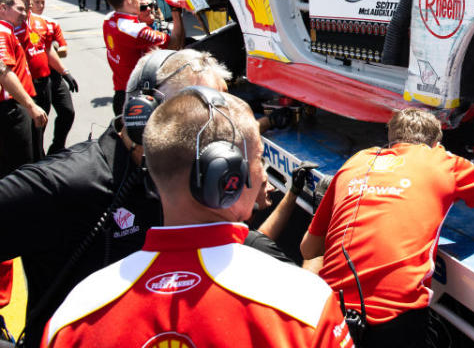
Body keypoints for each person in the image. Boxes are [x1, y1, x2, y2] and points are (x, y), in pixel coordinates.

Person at [0, 48, 297, 348]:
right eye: (204, 117)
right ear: (143, 114)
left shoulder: (199, 179)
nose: (222, 133)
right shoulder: (66, 183)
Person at [41, 87, 353, 348]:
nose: (262, 176)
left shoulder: (75, 313)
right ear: (226, 177)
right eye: (258, 158)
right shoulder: (303, 303)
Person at [301, 108, 474, 347]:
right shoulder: (444, 162)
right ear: (436, 143)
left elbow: (308, 249)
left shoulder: (356, 162)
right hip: (396, 317)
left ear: (390, 138)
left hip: (331, 314)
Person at [6, 0, 78, 161]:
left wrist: (64, 71)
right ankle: (38, 161)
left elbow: (47, 49)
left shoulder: (41, 22)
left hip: (46, 79)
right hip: (24, 86)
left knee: (64, 113)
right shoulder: (8, 27)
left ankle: (55, 150)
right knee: (34, 129)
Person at [103, 0, 185, 115]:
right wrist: (176, 11)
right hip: (138, 98)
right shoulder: (135, 31)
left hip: (121, 92)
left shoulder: (109, 18)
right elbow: (175, 44)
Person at [0, 0, 46, 177]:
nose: (24, 13)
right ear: (3, 8)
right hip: (11, 107)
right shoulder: (2, 32)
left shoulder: (8, 30)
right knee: (21, 167)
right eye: (19, 9)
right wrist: (30, 105)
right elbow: (3, 71)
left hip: (14, 106)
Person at [30, 0, 76, 155]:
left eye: (43, 2)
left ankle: (57, 147)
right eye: (37, 2)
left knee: (67, 112)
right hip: (36, 78)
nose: (40, 5)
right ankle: (37, 155)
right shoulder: (22, 25)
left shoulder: (50, 23)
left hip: (54, 74)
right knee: (40, 120)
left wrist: (65, 71)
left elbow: (61, 47)